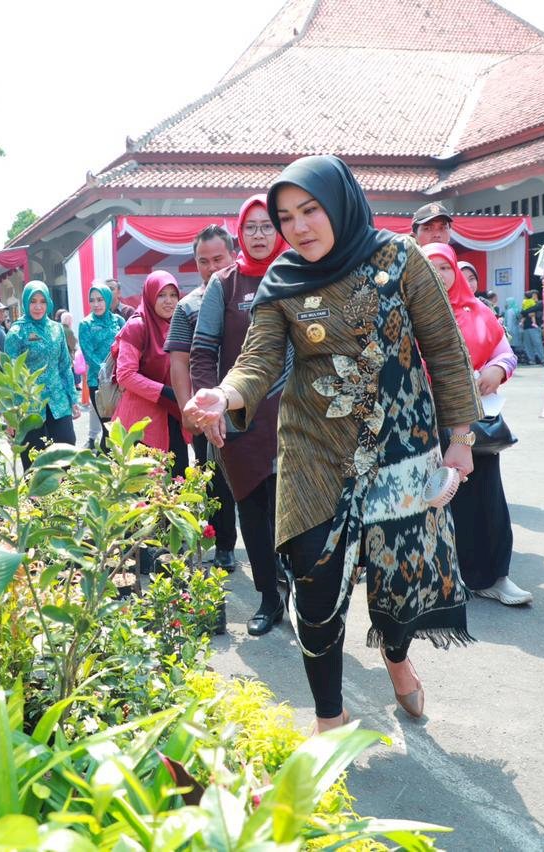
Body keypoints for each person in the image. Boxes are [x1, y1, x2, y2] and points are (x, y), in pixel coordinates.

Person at [186, 156, 481, 731]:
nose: (298, 227)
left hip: (401, 447)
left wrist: (461, 438)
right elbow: (260, 359)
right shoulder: (282, 278)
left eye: (310, 210)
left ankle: (396, 657)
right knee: (315, 582)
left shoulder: (401, 259)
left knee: (395, 575)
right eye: (286, 216)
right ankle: (330, 716)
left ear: (340, 204)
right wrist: (224, 396)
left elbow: (445, 349)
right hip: (313, 450)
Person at [191, 195, 289, 633]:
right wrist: (208, 407)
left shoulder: (301, 275)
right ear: (239, 234)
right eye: (250, 227)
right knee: (252, 508)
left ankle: (300, 592)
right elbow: (202, 352)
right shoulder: (225, 286)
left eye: (268, 225)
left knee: (299, 511)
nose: (260, 234)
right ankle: (269, 598)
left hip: (297, 417)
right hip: (241, 418)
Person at [421, 242, 530, 606]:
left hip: (473, 423)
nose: (439, 274)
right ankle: (435, 579)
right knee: (429, 500)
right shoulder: (408, 311)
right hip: (422, 421)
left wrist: (497, 370)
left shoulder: (477, 310)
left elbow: (505, 351)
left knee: (485, 499)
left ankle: (492, 576)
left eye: (445, 267)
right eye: (429, 267)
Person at [167, 224, 239, 571]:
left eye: (218, 259)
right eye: (203, 261)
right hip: (209, 411)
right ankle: (225, 545)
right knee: (216, 479)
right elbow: (179, 361)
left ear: (233, 256)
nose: (211, 268)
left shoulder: (254, 294)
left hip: (254, 405)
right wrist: (186, 409)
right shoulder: (187, 307)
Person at [113, 270, 190, 476]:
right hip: (141, 420)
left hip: (172, 414)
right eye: (161, 295)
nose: (169, 301)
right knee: (144, 491)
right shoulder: (137, 325)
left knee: (177, 483)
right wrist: (163, 391)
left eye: (173, 295)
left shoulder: (179, 324)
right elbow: (125, 374)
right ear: (149, 296)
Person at [5, 282, 80, 468]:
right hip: (29, 405)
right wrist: (10, 416)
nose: (38, 306)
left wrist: (73, 399)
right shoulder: (16, 332)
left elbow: (64, 366)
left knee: (66, 448)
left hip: (58, 401)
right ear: (25, 303)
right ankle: (37, 497)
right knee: (34, 458)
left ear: (48, 303)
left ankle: (66, 493)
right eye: (33, 301)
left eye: (42, 301)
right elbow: (10, 377)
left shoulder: (56, 329)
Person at [78, 282, 126, 450]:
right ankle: (107, 470)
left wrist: (123, 373)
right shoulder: (86, 324)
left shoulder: (118, 321)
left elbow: (126, 347)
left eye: (100, 299)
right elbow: (89, 355)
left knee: (121, 427)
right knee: (108, 428)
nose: (96, 304)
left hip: (120, 381)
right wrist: (107, 373)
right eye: (92, 300)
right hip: (98, 383)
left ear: (107, 299)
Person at [519, 289, 544, 365]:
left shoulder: (540, 303)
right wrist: (525, 313)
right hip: (526, 327)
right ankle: (531, 359)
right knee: (527, 345)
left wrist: (525, 312)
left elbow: (526, 311)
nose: (531, 297)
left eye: (532, 295)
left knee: (537, 343)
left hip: (534, 327)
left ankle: (543, 359)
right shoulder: (527, 303)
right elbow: (522, 312)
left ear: (536, 295)